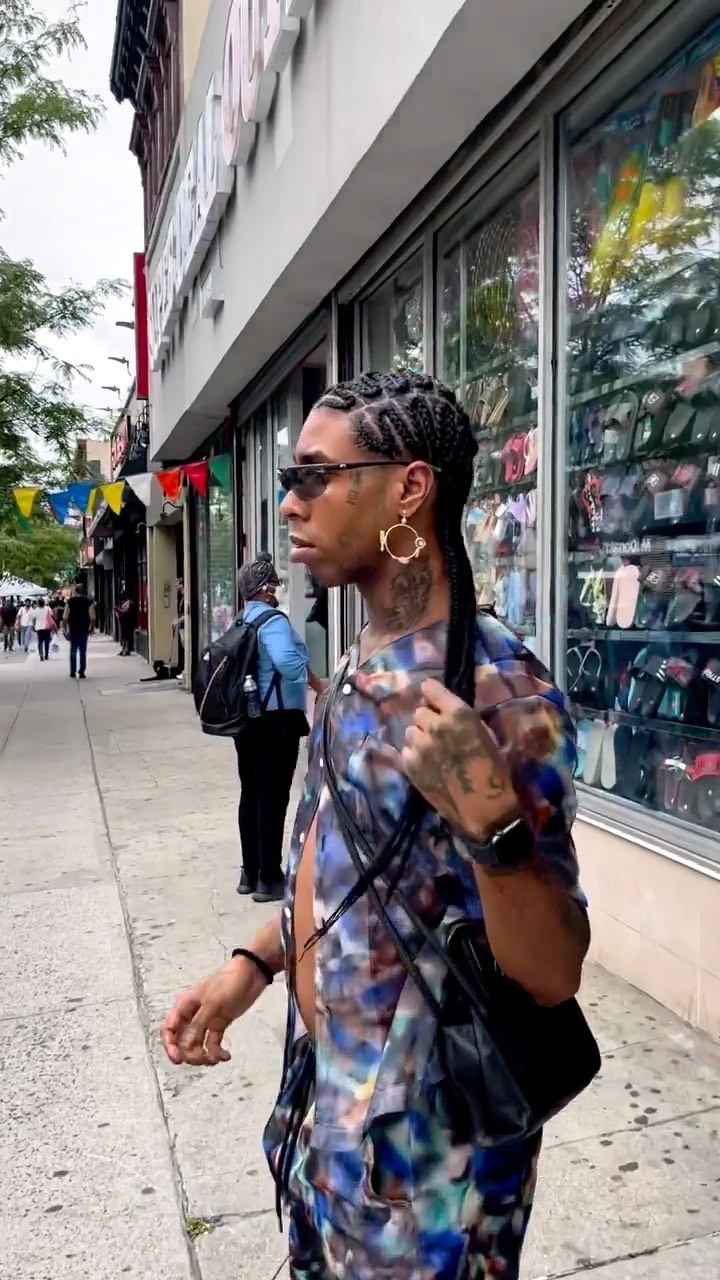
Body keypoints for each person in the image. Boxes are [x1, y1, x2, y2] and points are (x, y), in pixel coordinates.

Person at [161, 372, 589, 1280]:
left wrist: (492, 823)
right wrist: (254, 967)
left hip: (429, 1175)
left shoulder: (499, 694)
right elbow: (345, 876)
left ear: (408, 488)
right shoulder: (358, 663)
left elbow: (553, 973)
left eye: (315, 476)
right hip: (329, 1122)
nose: (289, 503)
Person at [233, 552, 319, 904]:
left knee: (251, 794)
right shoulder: (273, 621)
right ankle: (269, 877)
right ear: (264, 589)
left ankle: (249, 872)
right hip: (277, 720)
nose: (278, 588)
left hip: (248, 720)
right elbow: (287, 663)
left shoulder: (242, 619)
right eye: (275, 583)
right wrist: (309, 672)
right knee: (273, 798)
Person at [63, 583, 96, 679]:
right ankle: (81, 672)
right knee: (83, 651)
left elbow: (65, 617)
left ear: (75, 591)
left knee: (73, 650)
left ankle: (72, 671)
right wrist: (92, 628)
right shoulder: (88, 602)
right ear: (84, 591)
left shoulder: (70, 602)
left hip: (73, 629)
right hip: (84, 629)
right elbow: (93, 617)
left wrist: (65, 629)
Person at [172, 577, 185, 681]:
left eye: (177, 585)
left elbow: (185, 614)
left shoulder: (185, 597)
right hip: (181, 625)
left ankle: (185, 671)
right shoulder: (182, 597)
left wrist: (178, 621)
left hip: (184, 626)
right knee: (183, 646)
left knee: (185, 647)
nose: (175, 587)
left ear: (181, 584)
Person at [116, 591, 136, 656]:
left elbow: (126, 611)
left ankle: (126, 649)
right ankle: (123, 649)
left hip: (127, 623)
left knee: (126, 636)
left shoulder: (129, 603)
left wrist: (119, 610)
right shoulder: (125, 603)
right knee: (124, 636)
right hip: (123, 622)